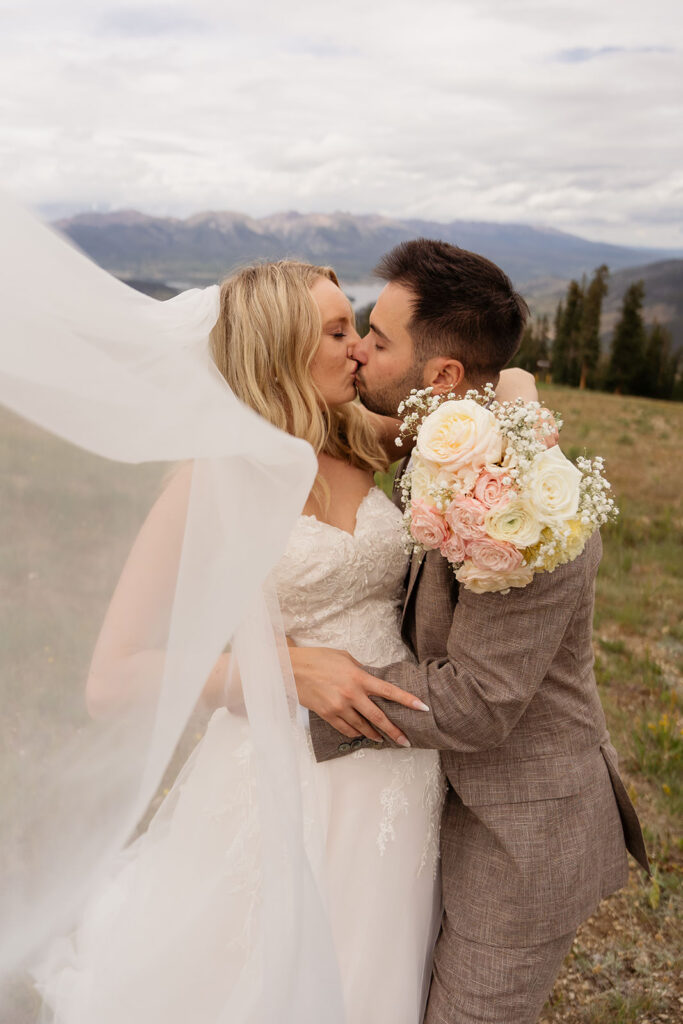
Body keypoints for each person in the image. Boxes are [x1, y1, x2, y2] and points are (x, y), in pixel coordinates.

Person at [26, 253, 538, 1024]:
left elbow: (482, 387)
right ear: (279, 350)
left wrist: (523, 394)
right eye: (337, 331)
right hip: (277, 777)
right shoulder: (210, 479)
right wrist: (283, 671)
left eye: (357, 327)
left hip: (396, 775)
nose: (358, 348)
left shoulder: (364, 435)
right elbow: (111, 677)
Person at [289, 239, 650, 1024]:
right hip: (428, 803)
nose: (358, 352)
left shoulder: (525, 507)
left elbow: (479, 704)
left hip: (515, 832)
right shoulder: (451, 433)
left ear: (442, 375)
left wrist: (307, 685)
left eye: (377, 340)